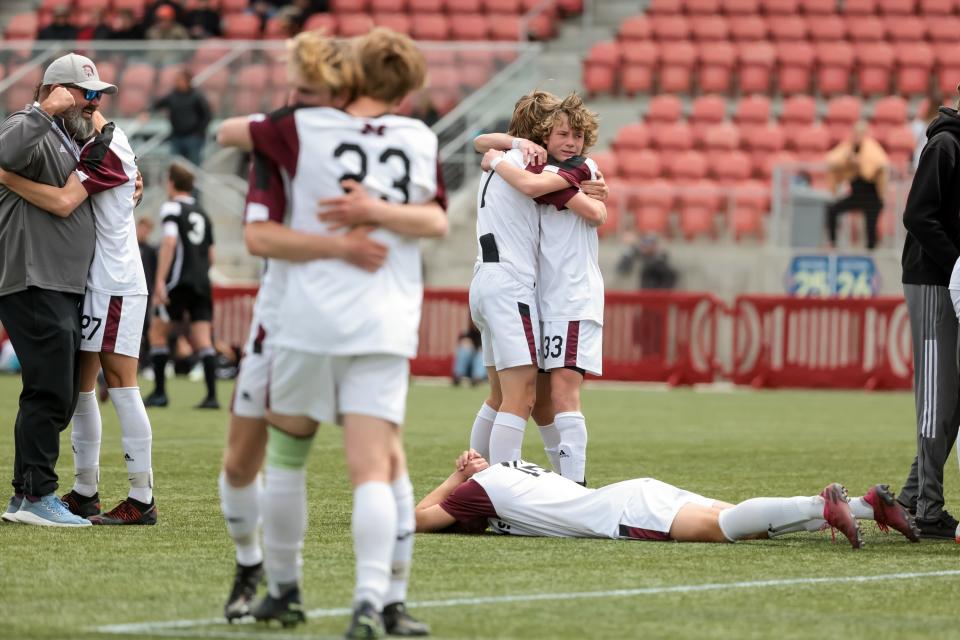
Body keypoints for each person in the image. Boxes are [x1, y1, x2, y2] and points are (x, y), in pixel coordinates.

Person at [220, 27, 444, 638]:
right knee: (377, 467)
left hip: (307, 320)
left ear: (346, 79)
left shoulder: (304, 129)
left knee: (289, 457)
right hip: (385, 321)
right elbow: (437, 219)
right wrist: (377, 213)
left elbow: (230, 131)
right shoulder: (419, 137)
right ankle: (373, 601)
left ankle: (287, 588)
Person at [0, 109, 157, 526]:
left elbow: (65, 200)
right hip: (91, 281)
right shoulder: (89, 143)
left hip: (115, 281)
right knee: (82, 388)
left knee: (122, 385)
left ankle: (142, 498)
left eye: (86, 102)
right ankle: (85, 492)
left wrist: (7, 177)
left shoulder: (106, 144)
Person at [0, 53, 113, 527]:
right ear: (59, 90)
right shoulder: (30, 124)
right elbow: (4, 153)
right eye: (86, 94)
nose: (93, 103)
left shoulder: (66, 135)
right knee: (49, 390)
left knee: (59, 390)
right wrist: (44, 109)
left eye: (96, 95)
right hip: (33, 276)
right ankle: (36, 495)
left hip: (58, 280)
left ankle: (26, 494)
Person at [474, 93, 605, 486]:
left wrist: (498, 153)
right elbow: (541, 189)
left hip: (498, 281)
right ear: (542, 132)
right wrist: (507, 150)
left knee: (518, 398)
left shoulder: (540, 165)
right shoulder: (529, 163)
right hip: (517, 286)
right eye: (560, 131)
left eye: (575, 134)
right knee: (523, 397)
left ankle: (485, 482)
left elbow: (595, 211)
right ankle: (503, 491)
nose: (570, 140)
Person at [415, 450, 921, 550]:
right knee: (738, 519)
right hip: (634, 492)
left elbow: (418, 520)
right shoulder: (509, 471)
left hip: (622, 513)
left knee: (727, 530)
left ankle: (821, 506)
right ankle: (861, 505)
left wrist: (453, 476)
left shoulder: (480, 490)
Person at [901, 96, 960, 539]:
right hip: (933, 280)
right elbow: (916, 214)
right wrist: (956, 262)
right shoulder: (946, 145)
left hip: (950, 277)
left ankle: (912, 494)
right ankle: (927, 508)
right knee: (937, 397)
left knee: (952, 397)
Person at [145, 162, 218, 409]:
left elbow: (169, 241)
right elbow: (211, 255)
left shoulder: (172, 207)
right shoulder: (203, 213)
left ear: (172, 183)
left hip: (178, 280)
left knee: (157, 332)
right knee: (203, 339)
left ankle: (160, 393)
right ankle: (211, 397)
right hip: (202, 281)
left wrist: (159, 281)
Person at [824, 121, 889, 251]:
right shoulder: (848, 146)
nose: (857, 136)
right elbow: (832, 160)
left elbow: (876, 167)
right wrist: (847, 160)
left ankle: (871, 252)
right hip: (856, 194)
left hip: (872, 196)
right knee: (833, 210)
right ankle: (833, 243)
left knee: (870, 226)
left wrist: (859, 163)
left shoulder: (872, 148)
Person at [145, 69, 211, 167]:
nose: (177, 82)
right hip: (176, 137)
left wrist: (199, 133)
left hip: (193, 138)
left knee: (193, 167)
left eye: (180, 80)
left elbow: (207, 115)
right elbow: (159, 104)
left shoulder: (197, 97)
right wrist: (147, 112)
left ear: (188, 81)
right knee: (175, 167)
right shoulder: (173, 96)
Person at [912, 94, 941, 171]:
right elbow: (914, 141)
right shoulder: (918, 124)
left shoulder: (942, 123)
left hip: (935, 159)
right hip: (920, 159)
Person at [452, 320, 485, 387]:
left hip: (484, 368)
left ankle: (477, 378)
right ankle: (457, 376)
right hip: (468, 367)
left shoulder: (488, 335)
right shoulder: (467, 334)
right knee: (463, 349)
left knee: (481, 354)